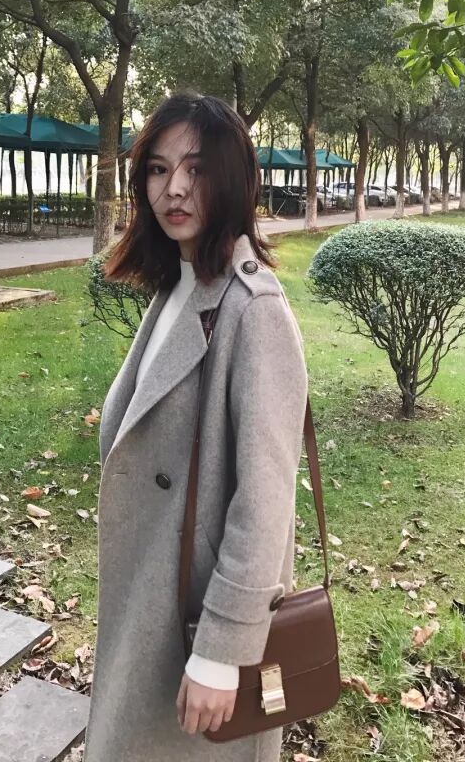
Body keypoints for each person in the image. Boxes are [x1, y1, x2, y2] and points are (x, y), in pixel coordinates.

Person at [82, 92, 308, 762]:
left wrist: (222, 651)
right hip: (153, 603)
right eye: (157, 169)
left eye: (196, 169)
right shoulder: (178, 286)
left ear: (233, 180)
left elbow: (266, 503)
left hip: (198, 628)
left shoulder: (252, 309)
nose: (174, 188)